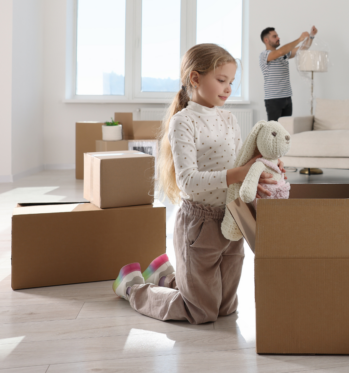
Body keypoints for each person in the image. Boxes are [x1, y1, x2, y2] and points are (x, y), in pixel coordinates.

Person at [111, 43, 282, 324]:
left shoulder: (229, 119)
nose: (228, 88)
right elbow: (188, 182)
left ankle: (167, 277)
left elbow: (243, 162)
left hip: (232, 219)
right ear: (195, 78)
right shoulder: (183, 121)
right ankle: (133, 288)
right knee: (201, 312)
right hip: (199, 225)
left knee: (226, 309)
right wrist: (238, 174)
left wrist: (266, 165)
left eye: (231, 82)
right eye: (221, 80)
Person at [260, 26, 318, 121]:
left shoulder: (284, 54)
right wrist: (300, 39)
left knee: (286, 130)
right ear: (266, 40)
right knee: (274, 132)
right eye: (274, 36)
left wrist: (311, 36)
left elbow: (303, 48)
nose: (278, 38)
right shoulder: (264, 55)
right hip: (274, 100)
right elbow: (280, 51)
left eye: (277, 36)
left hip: (287, 98)